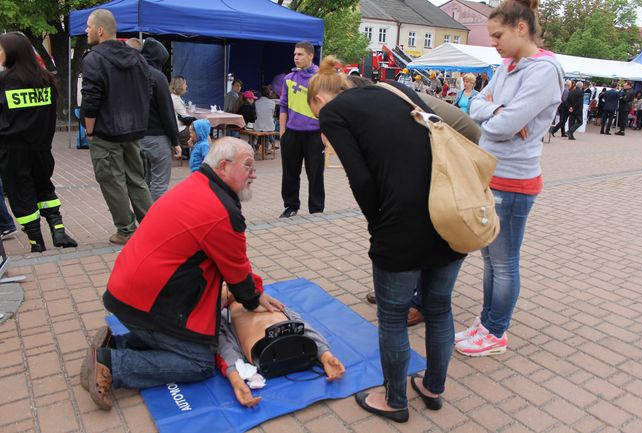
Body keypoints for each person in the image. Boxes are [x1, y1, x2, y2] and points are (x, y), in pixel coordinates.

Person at [308, 57, 466, 423]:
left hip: (400, 222)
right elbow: (441, 136)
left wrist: (376, 223)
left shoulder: (335, 114)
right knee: (439, 307)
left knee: (393, 317)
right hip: (450, 210)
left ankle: (395, 400)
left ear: (320, 100)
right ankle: (433, 388)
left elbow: (360, 179)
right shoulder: (397, 88)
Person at [80, 137, 284, 410]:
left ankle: (119, 344)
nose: (254, 174)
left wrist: (249, 293)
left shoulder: (198, 184)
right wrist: (252, 298)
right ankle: (112, 364)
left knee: (198, 333)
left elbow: (232, 260)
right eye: (248, 166)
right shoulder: (220, 210)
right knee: (198, 362)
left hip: (127, 291)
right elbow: (236, 271)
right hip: (144, 302)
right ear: (224, 167)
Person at [459, 0, 563, 356]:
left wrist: (497, 115)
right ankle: (487, 322)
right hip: (492, 172)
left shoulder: (543, 70)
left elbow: (502, 127)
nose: (493, 42)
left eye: (498, 34)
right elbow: (474, 106)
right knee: (490, 259)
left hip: (514, 180)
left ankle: (496, 331)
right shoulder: (508, 65)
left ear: (522, 28)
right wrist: (497, 110)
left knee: (503, 263)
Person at [0, 32, 78, 252]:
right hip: (42, 148)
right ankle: (58, 229)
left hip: (12, 150)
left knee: (20, 193)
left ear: (12, 52)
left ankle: (36, 242)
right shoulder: (45, 80)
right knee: (44, 187)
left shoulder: (4, 82)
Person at [81, 9, 153, 245]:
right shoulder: (137, 57)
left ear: (100, 30)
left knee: (112, 181)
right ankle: (153, 226)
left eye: (89, 26)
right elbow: (147, 90)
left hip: (106, 132)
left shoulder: (93, 58)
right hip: (133, 131)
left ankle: (126, 230)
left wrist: (89, 131)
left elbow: (90, 100)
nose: (86, 30)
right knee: (136, 179)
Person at [216, 299, 345, 407]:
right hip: (262, 348)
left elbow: (297, 323)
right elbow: (225, 346)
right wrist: (235, 378)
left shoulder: (261, 297)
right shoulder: (221, 313)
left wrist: (325, 355)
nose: (225, 286)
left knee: (282, 319)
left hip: (272, 344)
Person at [278, 41, 324, 218]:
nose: (296, 57)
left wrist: (324, 135)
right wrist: (283, 133)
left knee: (315, 173)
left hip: (315, 135)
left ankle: (316, 208)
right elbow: (283, 107)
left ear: (311, 56)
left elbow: (328, 108)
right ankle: (291, 206)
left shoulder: (321, 78)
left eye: (300, 54)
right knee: (290, 173)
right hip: (292, 134)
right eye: (295, 54)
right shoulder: (288, 79)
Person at [139, 38, 182, 201]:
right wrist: (175, 141)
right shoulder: (158, 77)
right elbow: (167, 112)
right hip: (157, 138)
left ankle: (144, 219)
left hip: (137, 137)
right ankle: (157, 221)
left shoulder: (132, 74)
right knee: (159, 184)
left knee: (143, 182)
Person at [169, 75, 193, 159]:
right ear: (180, 86)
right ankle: (203, 158)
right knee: (202, 132)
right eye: (185, 84)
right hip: (180, 131)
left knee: (200, 129)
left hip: (177, 128)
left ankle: (189, 155)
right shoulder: (175, 99)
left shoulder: (174, 97)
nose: (186, 86)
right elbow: (185, 117)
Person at [254, 85, 277, 153]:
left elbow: (256, 114)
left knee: (263, 129)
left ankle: (258, 145)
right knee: (267, 128)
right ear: (268, 93)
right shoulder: (273, 103)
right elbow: (272, 115)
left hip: (258, 125)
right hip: (269, 125)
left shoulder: (256, 102)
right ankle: (266, 148)